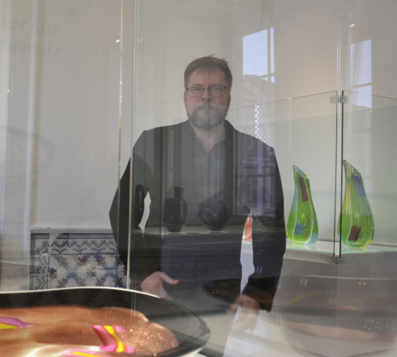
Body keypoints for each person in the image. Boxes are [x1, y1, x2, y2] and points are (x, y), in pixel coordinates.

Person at [109, 56, 286, 321]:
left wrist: (258, 291)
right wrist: (142, 271)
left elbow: (271, 229)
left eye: (216, 88)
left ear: (228, 95)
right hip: (159, 284)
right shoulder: (154, 142)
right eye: (197, 88)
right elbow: (121, 212)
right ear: (185, 96)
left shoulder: (256, 152)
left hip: (222, 289)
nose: (206, 96)